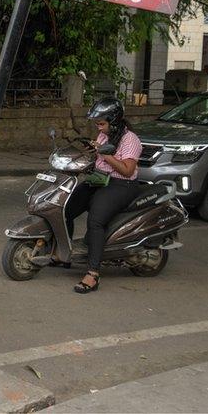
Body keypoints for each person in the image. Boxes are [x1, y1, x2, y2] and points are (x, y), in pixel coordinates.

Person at [64, 97, 143, 294]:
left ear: (113, 121)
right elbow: (99, 158)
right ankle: (63, 254)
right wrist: (93, 152)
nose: (99, 128)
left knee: (96, 221)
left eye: (101, 124)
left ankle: (92, 274)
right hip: (100, 179)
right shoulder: (104, 137)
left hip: (121, 185)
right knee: (66, 208)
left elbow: (127, 170)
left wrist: (106, 154)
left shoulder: (130, 139)